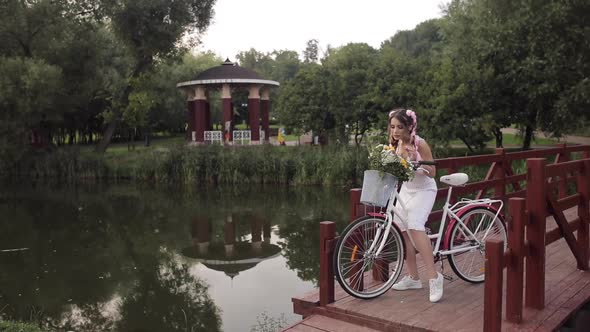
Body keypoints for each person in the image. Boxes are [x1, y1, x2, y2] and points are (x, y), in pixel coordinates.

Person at [387, 108, 443, 303]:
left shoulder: (420, 143)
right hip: (407, 190)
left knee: (416, 226)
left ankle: (434, 277)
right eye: (392, 126)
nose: (395, 131)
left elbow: (433, 171)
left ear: (410, 127)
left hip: (424, 190)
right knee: (403, 229)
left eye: (400, 127)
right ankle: (413, 278)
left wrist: (416, 162)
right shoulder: (395, 143)